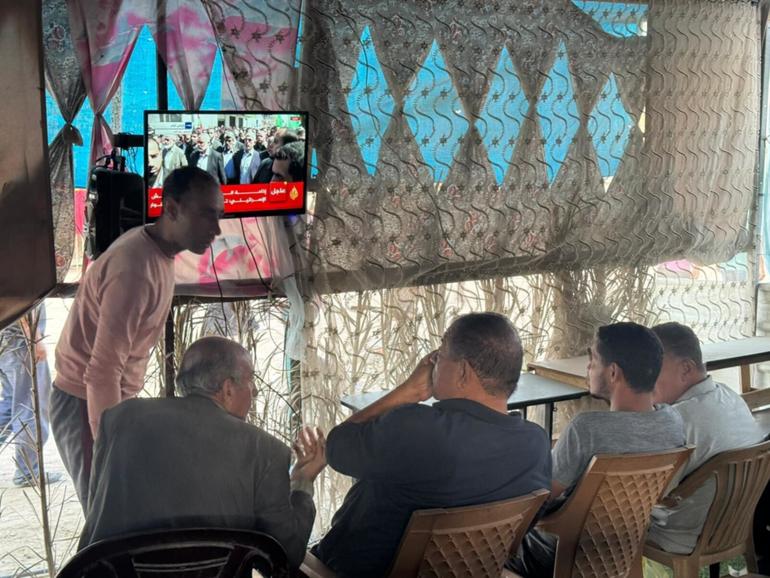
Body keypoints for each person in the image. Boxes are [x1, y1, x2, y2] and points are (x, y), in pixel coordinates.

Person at [311, 312, 552, 577]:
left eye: (439, 356)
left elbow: (337, 446)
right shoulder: (536, 445)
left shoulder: (416, 429)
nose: (433, 363)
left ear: (462, 371)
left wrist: (409, 391)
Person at [51, 166, 224, 511]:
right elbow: (101, 372)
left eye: (219, 216)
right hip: (85, 400)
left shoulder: (156, 252)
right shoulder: (135, 270)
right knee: (108, 517)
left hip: (105, 398)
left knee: (119, 513)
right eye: (207, 216)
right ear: (171, 209)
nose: (216, 230)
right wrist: (110, 445)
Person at [79, 337, 324, 568]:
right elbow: (286, 553)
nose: (255, 391)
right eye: (251, 381)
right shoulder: (267, 451)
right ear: (228, 389)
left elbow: (95, 519)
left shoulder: (119, 419)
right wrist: (302, 483)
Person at [509, 322, 686, 577]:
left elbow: (540, 494)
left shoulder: (588, 429)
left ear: (613, 373)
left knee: (488, 549)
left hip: (562, 554)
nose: (588, 368)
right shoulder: (673, 422)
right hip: (624, 549)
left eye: (593, 360)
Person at [646, 322, 764, 554]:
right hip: (735, 525)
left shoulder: (677, 421)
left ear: (686, 369)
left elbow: (648, 493)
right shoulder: (731, 397)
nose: (646, 380)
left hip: (683, 536)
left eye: (653, 370)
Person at [0, 303, 62, 487]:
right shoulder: (17, 272)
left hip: (6, 339)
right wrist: (34, 338)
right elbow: (21, 298)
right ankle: (28, 472)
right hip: (20, 341)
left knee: (11, 404)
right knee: (31, 406)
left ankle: (27, 470)